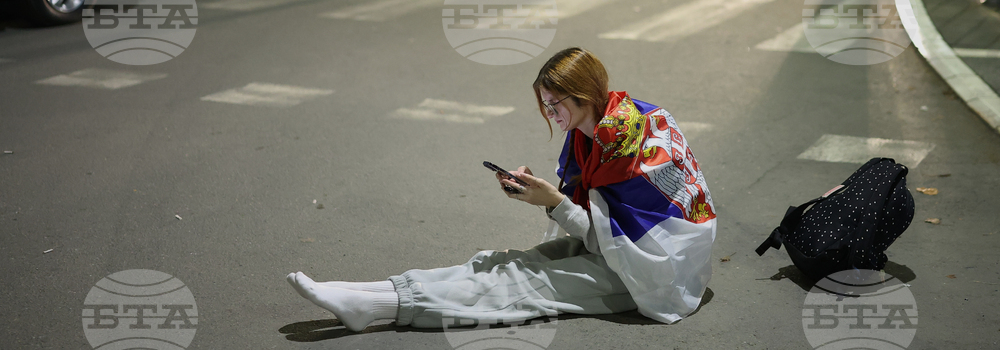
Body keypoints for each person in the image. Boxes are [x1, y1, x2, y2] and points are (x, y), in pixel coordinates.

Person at [286, 47, 717, 332]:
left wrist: (554, 204)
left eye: (555, 105)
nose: (551, 114)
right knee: (498, 263)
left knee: (515, 285)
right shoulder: (608, 125)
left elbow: (617, 243)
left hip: (654, 274)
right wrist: (546, 199)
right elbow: (603, 226)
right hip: (630, 253)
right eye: (545, 106)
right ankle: (375, 292)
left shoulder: (622, 151)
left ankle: (382, 306)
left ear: (584, 95)